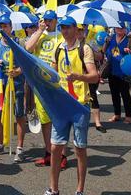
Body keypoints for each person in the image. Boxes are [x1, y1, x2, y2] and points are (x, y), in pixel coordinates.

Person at [45, 15, 98, 195]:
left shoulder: (85, 49)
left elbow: (95, 76)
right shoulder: (58, 48)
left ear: (76, 29)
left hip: (79, 105)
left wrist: (79, 76)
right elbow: (53, 72)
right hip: (61, 105)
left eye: (68, 27)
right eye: (62, 28)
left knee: (79, 149)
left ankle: (79, 190)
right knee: (55, 148)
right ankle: (54, 189)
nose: (65, 31)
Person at [24, 10, 63, 167]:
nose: (47, 22)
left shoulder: (61, 36)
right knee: (45, 120)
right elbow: (27, 48)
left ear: (56, 20)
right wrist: (39, 30)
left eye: (50, 20)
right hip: (40, 84)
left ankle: (61, 156)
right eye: (45, 20)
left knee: (59, 121)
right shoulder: (39, 35)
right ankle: (49, 153)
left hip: (56, 84)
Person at [0, 15, 27, 161]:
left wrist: (18, 71)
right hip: (0, 84)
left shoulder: (18, 42)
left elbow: (26, 63)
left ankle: (19, 148)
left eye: (5, 26)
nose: (2, 29)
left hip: (16, 84)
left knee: (19, 115)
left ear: (11, 27)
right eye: (0, 26)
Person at [105, 25, 131, 124]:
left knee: (125, 94)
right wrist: (106, 42)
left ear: (125, 29)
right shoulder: (111, 38)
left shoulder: (129, 40)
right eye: (117, 28)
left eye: (122, 28)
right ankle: (117, 114)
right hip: (112, 69)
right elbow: (105, 50)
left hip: (124, 71)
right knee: (114, 94)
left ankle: (128, 116)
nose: (119, 30)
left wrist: (129, 51)